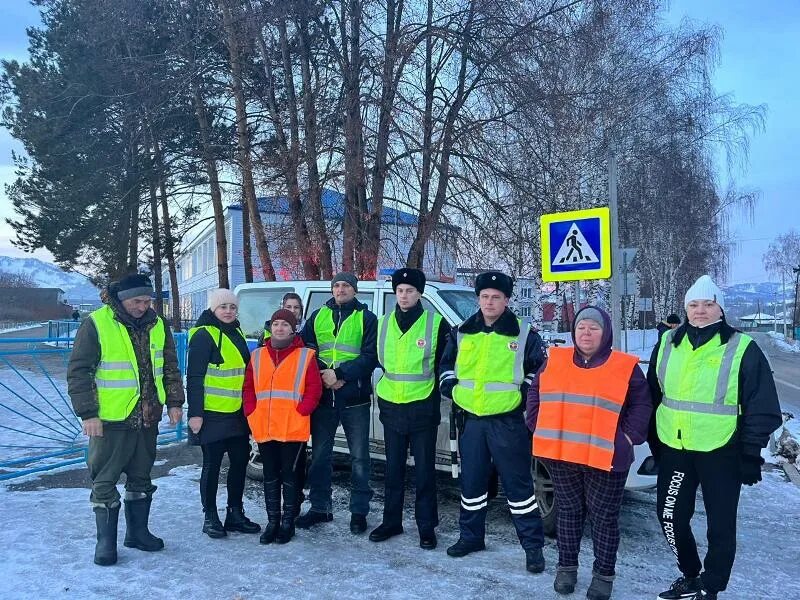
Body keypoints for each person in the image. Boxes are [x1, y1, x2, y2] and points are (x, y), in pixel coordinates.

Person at [650, 275, 782, 600]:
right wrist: (654, 443)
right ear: (685, 308)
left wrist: (751, 454)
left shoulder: (742, 348)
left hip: (722, 451)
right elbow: (653, 394)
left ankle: (711, 587)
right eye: (694, 305)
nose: (701, 311)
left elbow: (762, 405)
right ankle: (691, 575)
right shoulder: (668, 342)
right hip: (676, 448)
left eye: (709, 304)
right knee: (670, 516)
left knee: (720, 526)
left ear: (720, 309)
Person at [526, 306, 652, 600]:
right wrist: (535, 422)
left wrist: (629, 437)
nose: (586, 332)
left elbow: (642, 403)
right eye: (582, 327)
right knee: (568, 515)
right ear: (574, 331)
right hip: (563, 453)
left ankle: (603, 575)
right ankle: (566, 569)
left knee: (604, 518)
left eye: (594, 328)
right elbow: (535, 391)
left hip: (606, 457)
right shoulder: (555, 360)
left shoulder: (623, 365)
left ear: (605, 332)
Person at [67, 273, 184, 566]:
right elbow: (80, 371)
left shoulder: (159, 324)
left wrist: (174, 402)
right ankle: (105, 543)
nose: (143, 306)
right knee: (104, 480)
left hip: (148, 417)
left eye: (147, 300)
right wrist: (89, 413)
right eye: (137, 301)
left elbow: (169, 365)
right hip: (110, 420)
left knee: (141, 478)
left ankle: (138, 533)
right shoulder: (97, 323)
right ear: (121, 299)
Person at [439, 271, 547, 573]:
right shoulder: (461, 331)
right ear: (478, 299)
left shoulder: (524, 333)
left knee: (519, 488)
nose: (489, 302)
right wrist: (451, 388)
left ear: (506, 300)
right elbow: (446, 365)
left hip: (507, 422)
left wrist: (523, 394)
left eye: (496, 297)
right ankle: (471, 537)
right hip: (471, 421)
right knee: (471, 484)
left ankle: (532, 547)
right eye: (485, 296)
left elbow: (538, 372)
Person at [369, 268, 451, 550]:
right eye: (400, 291)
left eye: (410, 291)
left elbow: (446, 364)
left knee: (425, 472)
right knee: (392, 470)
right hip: (391, 407)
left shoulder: (436, 324)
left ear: (420, 294)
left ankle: (426, 527)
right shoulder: (382, 324)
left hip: (422, 408)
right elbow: (375, 360)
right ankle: (391, 521)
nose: (404, 296)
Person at [296, 272, 378, 534]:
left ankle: (359, 512)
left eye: (346, 285)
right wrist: (325, 375)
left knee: (360, 459)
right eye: (337, 285)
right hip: (324, 397)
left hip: (354, 397)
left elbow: (370, 356)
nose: (341, 289)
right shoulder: (318, 315)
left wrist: (340, 374)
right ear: (332, 290)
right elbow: (305, 348)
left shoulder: (366, 318)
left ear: (355, 290)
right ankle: (320, 508)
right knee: (320, 456)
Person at [186, 288, 260, 539]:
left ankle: (234, 513)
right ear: (212, 309)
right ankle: (210, 517)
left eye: (232, 307)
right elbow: (194, 378)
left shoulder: (236, 331)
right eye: (223, 307)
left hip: (237, 414)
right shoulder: (203, 335)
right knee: (212, 467)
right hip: (211, 415)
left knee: (239, 465)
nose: (228, 311)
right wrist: (195, 414)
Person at [243, 309, 322, 544]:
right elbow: (248, 388)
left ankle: (288, 523)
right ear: (271, 327)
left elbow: (314, 388)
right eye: (276, 324)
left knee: (289, 474)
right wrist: (251, 410)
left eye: (285, 325)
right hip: (264, 426)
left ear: (293, 329)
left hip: (292, 427)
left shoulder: (305, 356)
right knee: (270, 474)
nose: (279, 328)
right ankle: (272, 522)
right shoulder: (257, 356)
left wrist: (302, 410)